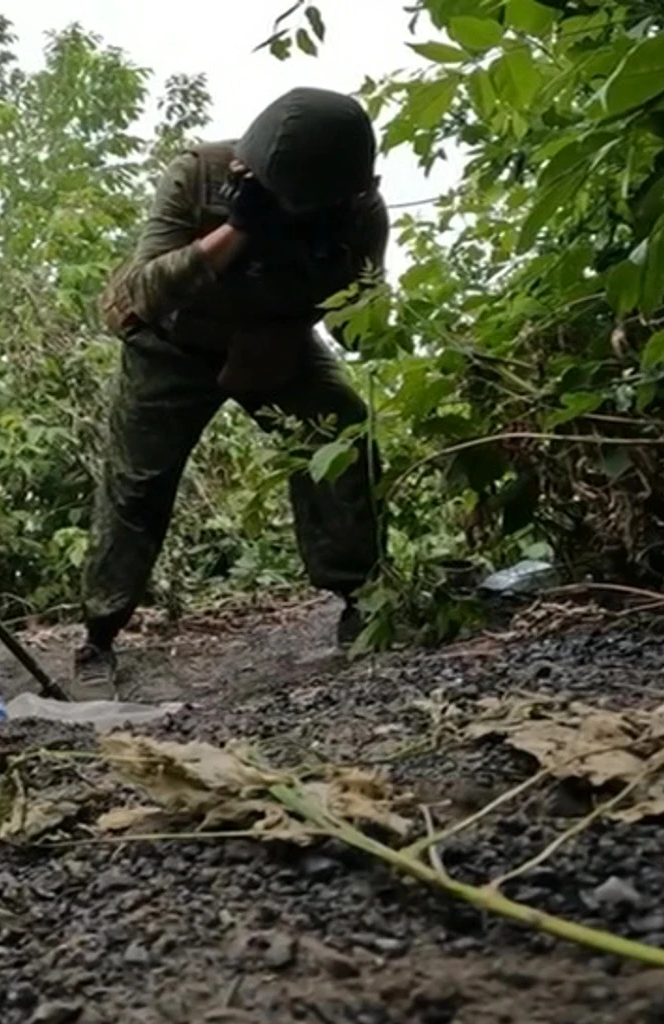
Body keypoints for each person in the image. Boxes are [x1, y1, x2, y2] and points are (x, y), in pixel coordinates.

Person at [77, 86, 391, 695]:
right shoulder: (199, 176)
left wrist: (350, 270)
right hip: (173, 344)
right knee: (137, 485)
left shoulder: (356, 208)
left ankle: (364, 599)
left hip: (277, 342)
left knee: (343, 432)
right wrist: (237, 232)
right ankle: (99, 637)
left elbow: (358, 330)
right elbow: (142, 293)